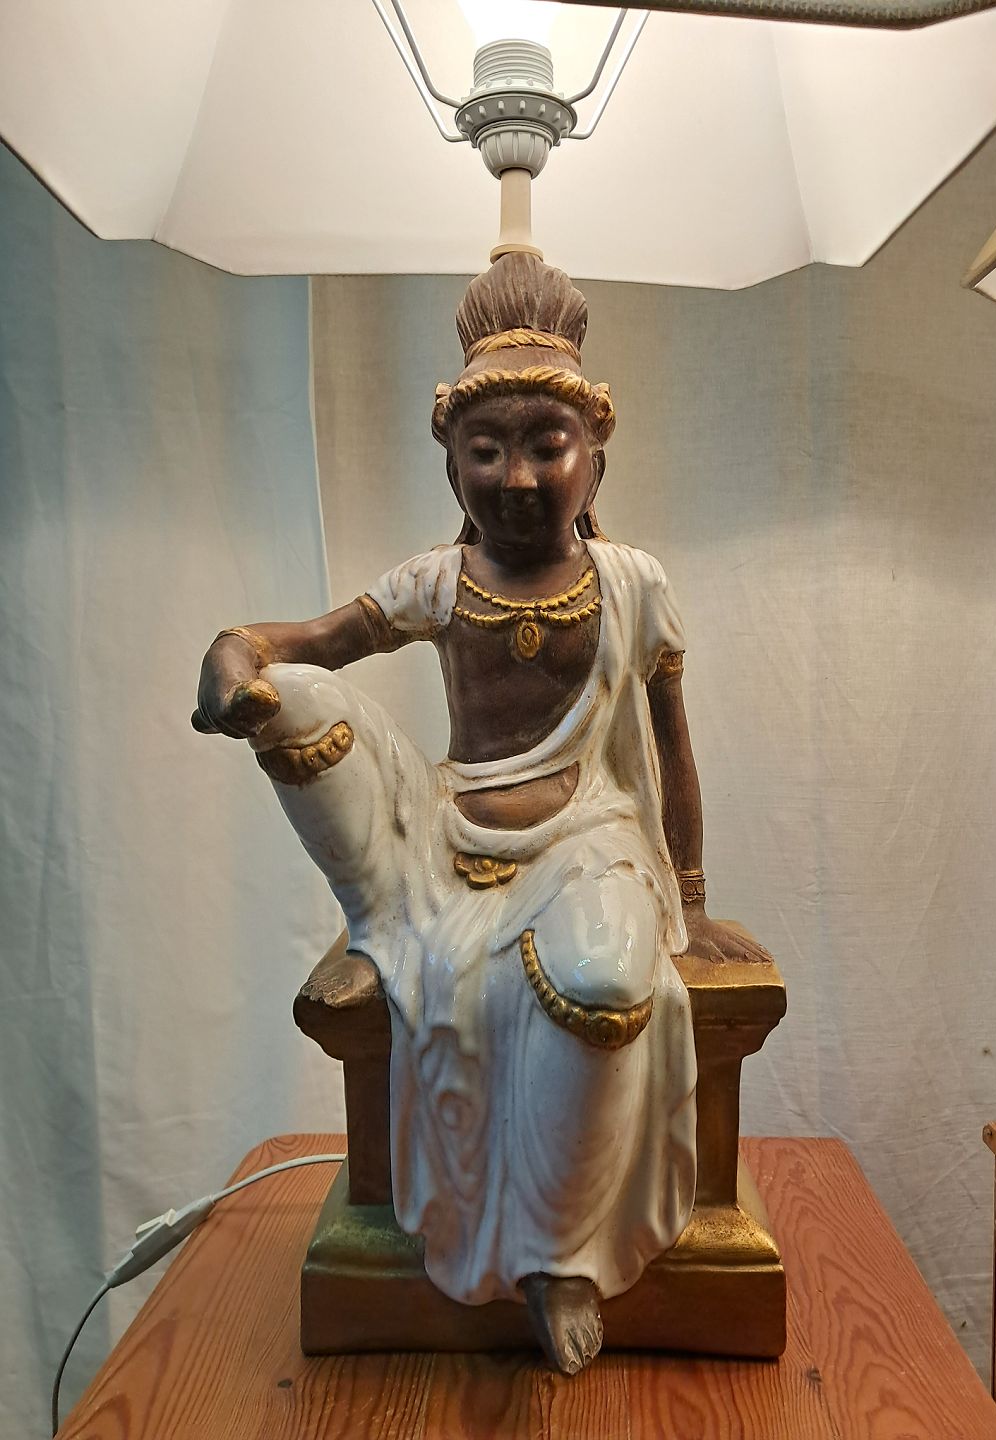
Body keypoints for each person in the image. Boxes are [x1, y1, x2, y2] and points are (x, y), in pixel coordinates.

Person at [193, 254, 750, 1375]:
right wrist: (233, 655)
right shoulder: (440, 582)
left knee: (606, 985)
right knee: (298, 702)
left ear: (597, 455)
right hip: (444, 838)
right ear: (450, 464)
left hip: (590, 842)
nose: (518, 477)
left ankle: (559, 1253)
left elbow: (671, 744)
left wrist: (690, 902)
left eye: (548, 444)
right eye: (486, 450)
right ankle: (384, 934)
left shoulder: (633, 583)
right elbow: (307, 642)